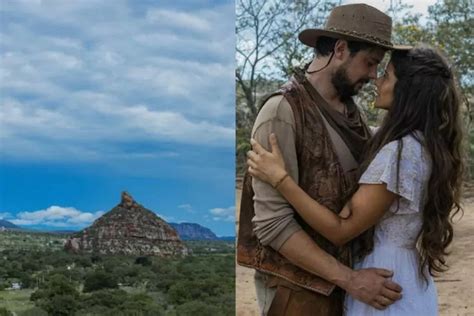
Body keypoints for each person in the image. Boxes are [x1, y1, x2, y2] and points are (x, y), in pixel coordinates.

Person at [247, 45, 463, 315]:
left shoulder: (401, 153)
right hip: (399, 273)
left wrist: (281, 179)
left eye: (386, 74)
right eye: (372, 66)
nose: (377, 79)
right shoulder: (417, 143)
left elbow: (340, 229)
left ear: (406, 91)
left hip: (383, 283)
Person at [237, 3, 409, 315]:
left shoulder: (351, 112)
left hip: (349, 287)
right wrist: (350, 280)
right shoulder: (281, 113)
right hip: (297, 293)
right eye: (369, 63)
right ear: (340, 50)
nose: (373, 75)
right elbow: (273, 225)